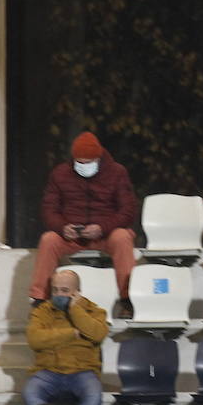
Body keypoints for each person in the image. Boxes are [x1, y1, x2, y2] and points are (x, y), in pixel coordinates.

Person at [29, 132, 137, 318]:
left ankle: (128, 300)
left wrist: (102, 227)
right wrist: (63, 227)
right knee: (48, 240)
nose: (84, 166)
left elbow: (128, 211)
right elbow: (48, 210)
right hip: (72, 237)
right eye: (80, 162)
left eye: (89, 162)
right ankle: (39, 301)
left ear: (99, 158)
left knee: (122, 238)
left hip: (106, 234)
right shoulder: (60, 174)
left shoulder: (117, 173)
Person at [23, 269, 109, 405]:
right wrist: (70, 333)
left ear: (77, 292)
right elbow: (34, 339)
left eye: (65, 291)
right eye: (55, 290)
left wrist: (75, 309)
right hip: (48, 372)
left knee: (94, 397)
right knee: (30, 393)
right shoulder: (42, 311)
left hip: (83, 372)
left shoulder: (94, 311)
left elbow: (97, 334)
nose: (59, 295)